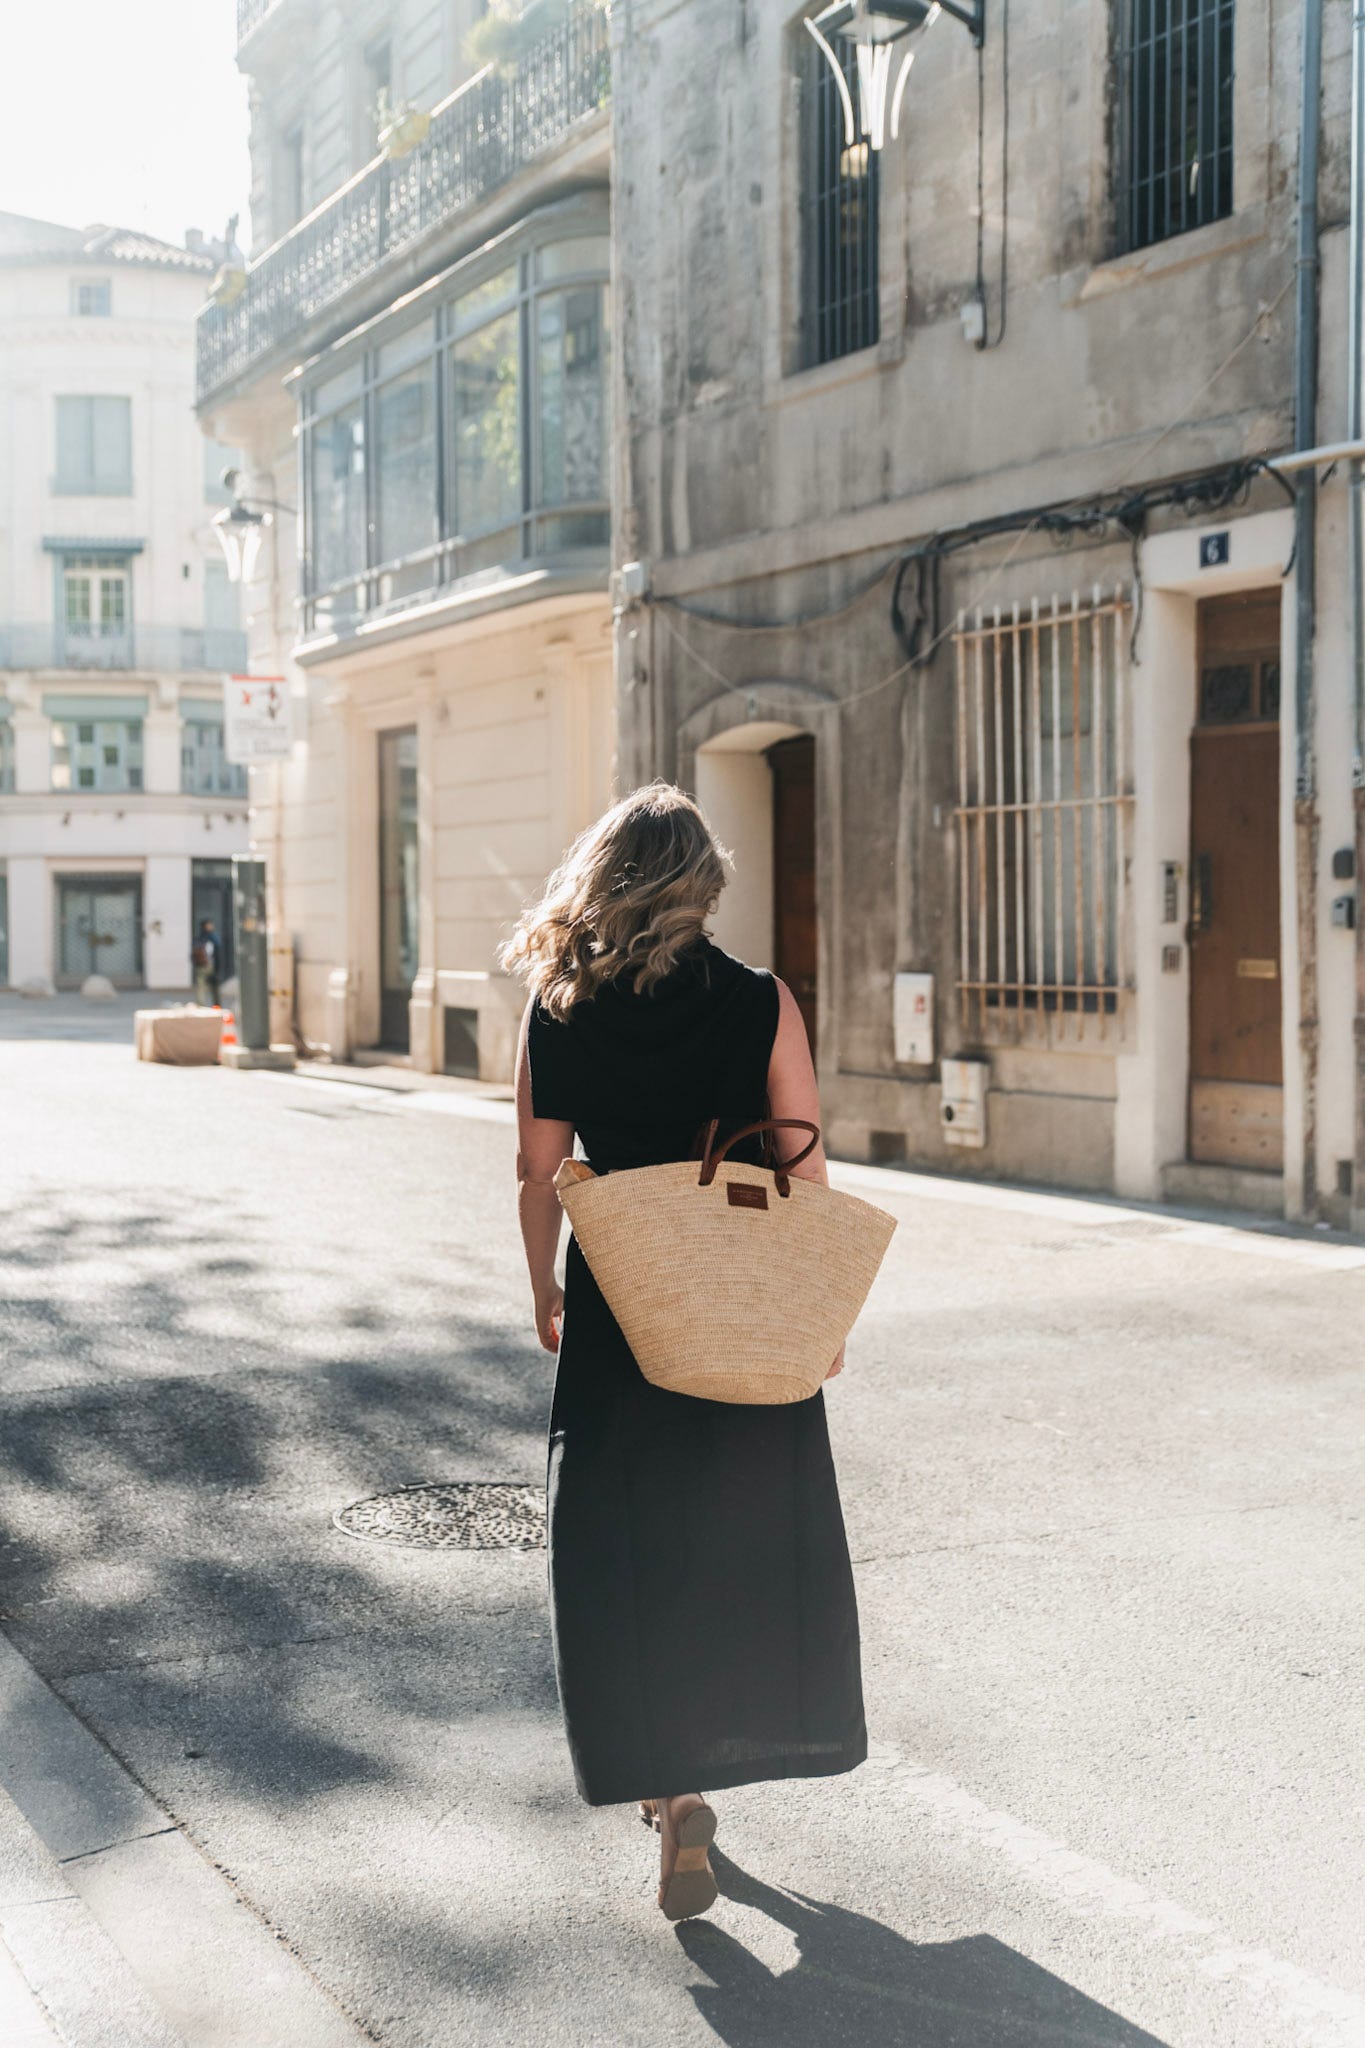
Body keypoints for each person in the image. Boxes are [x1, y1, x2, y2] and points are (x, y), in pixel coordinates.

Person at [500, 780, 866, 1924]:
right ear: (704, 883)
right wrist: (821, 1309)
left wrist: (544, 1283)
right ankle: (708, 1768)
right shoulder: (760, 998)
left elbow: (539, 1167)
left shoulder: (562, 1002)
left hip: (625, 1305)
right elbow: (803, 1159)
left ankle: (674, 1787)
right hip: (745, 1297)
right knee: (736, 1538)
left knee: (625, 1549)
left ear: (605, 875)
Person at [192, 918, 220, 1006]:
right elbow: (218, 951)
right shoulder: (212, 937)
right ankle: (215, 1004)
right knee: (213, 985)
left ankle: (201, 1004)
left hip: (202, 965)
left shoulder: (198, 938)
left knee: (202, 985)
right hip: (209, 964)